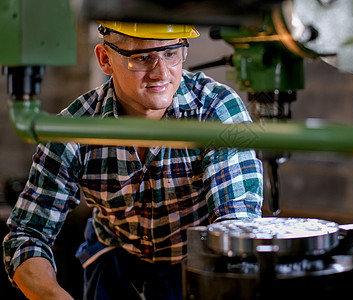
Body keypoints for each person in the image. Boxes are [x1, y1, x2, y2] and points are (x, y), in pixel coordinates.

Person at [3, 21, 264, 300]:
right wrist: (54, 296)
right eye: (142, 58)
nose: (161, 73)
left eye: (171, 53)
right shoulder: (76, 128)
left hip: (196, 265)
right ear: (105, 59)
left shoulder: (216, 109)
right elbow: (27, 236)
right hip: (114, 264)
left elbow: (237, 225)